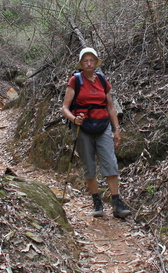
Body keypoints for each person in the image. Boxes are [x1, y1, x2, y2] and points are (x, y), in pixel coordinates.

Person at [61, 47, 131, 219]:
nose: (89, 63)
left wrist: (117, 129)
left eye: (92, 60)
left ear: (96, 62)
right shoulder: (75, 80)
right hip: (83, 127)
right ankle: (97, 202)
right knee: (89, 166)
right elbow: (64, 107)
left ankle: (116, 203)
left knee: (110, 163)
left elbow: (110, 107)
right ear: (81, 63)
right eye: (85, 61)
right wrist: (73, 118)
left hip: (103, 126)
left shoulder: (101, 80)